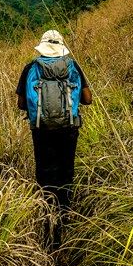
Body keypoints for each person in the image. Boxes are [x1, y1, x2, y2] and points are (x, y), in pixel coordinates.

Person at [16, 29, 92, 249]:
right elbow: (88, 99)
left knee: (45, 171)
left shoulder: (31, 68)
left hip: (41, 130)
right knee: (66, 169)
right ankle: (65, 215)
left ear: (41, 48)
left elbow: (21, 104)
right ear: (61, 47)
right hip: (69, 129)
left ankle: (47, 217)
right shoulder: (73, 66)